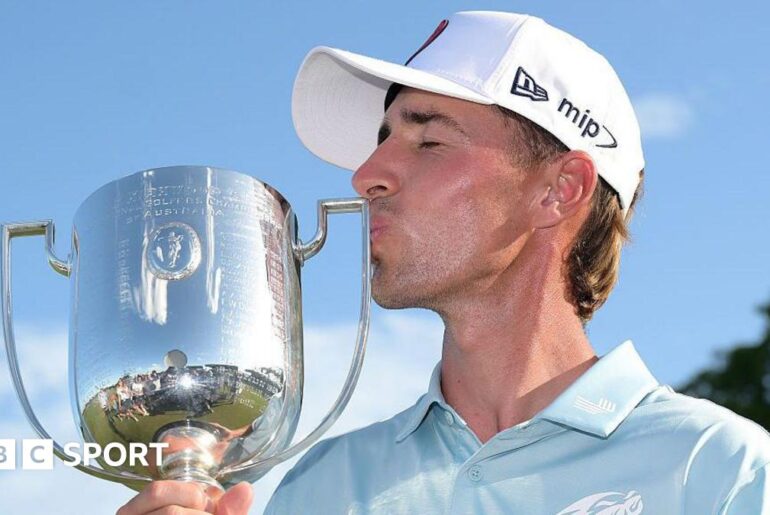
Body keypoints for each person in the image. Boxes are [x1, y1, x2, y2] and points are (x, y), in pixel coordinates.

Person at [118, 11, 770, 514]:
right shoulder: (322, 486)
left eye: (429, 140)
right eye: (382, 140)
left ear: (559, 189)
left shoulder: (720, 468)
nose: (366, 175)